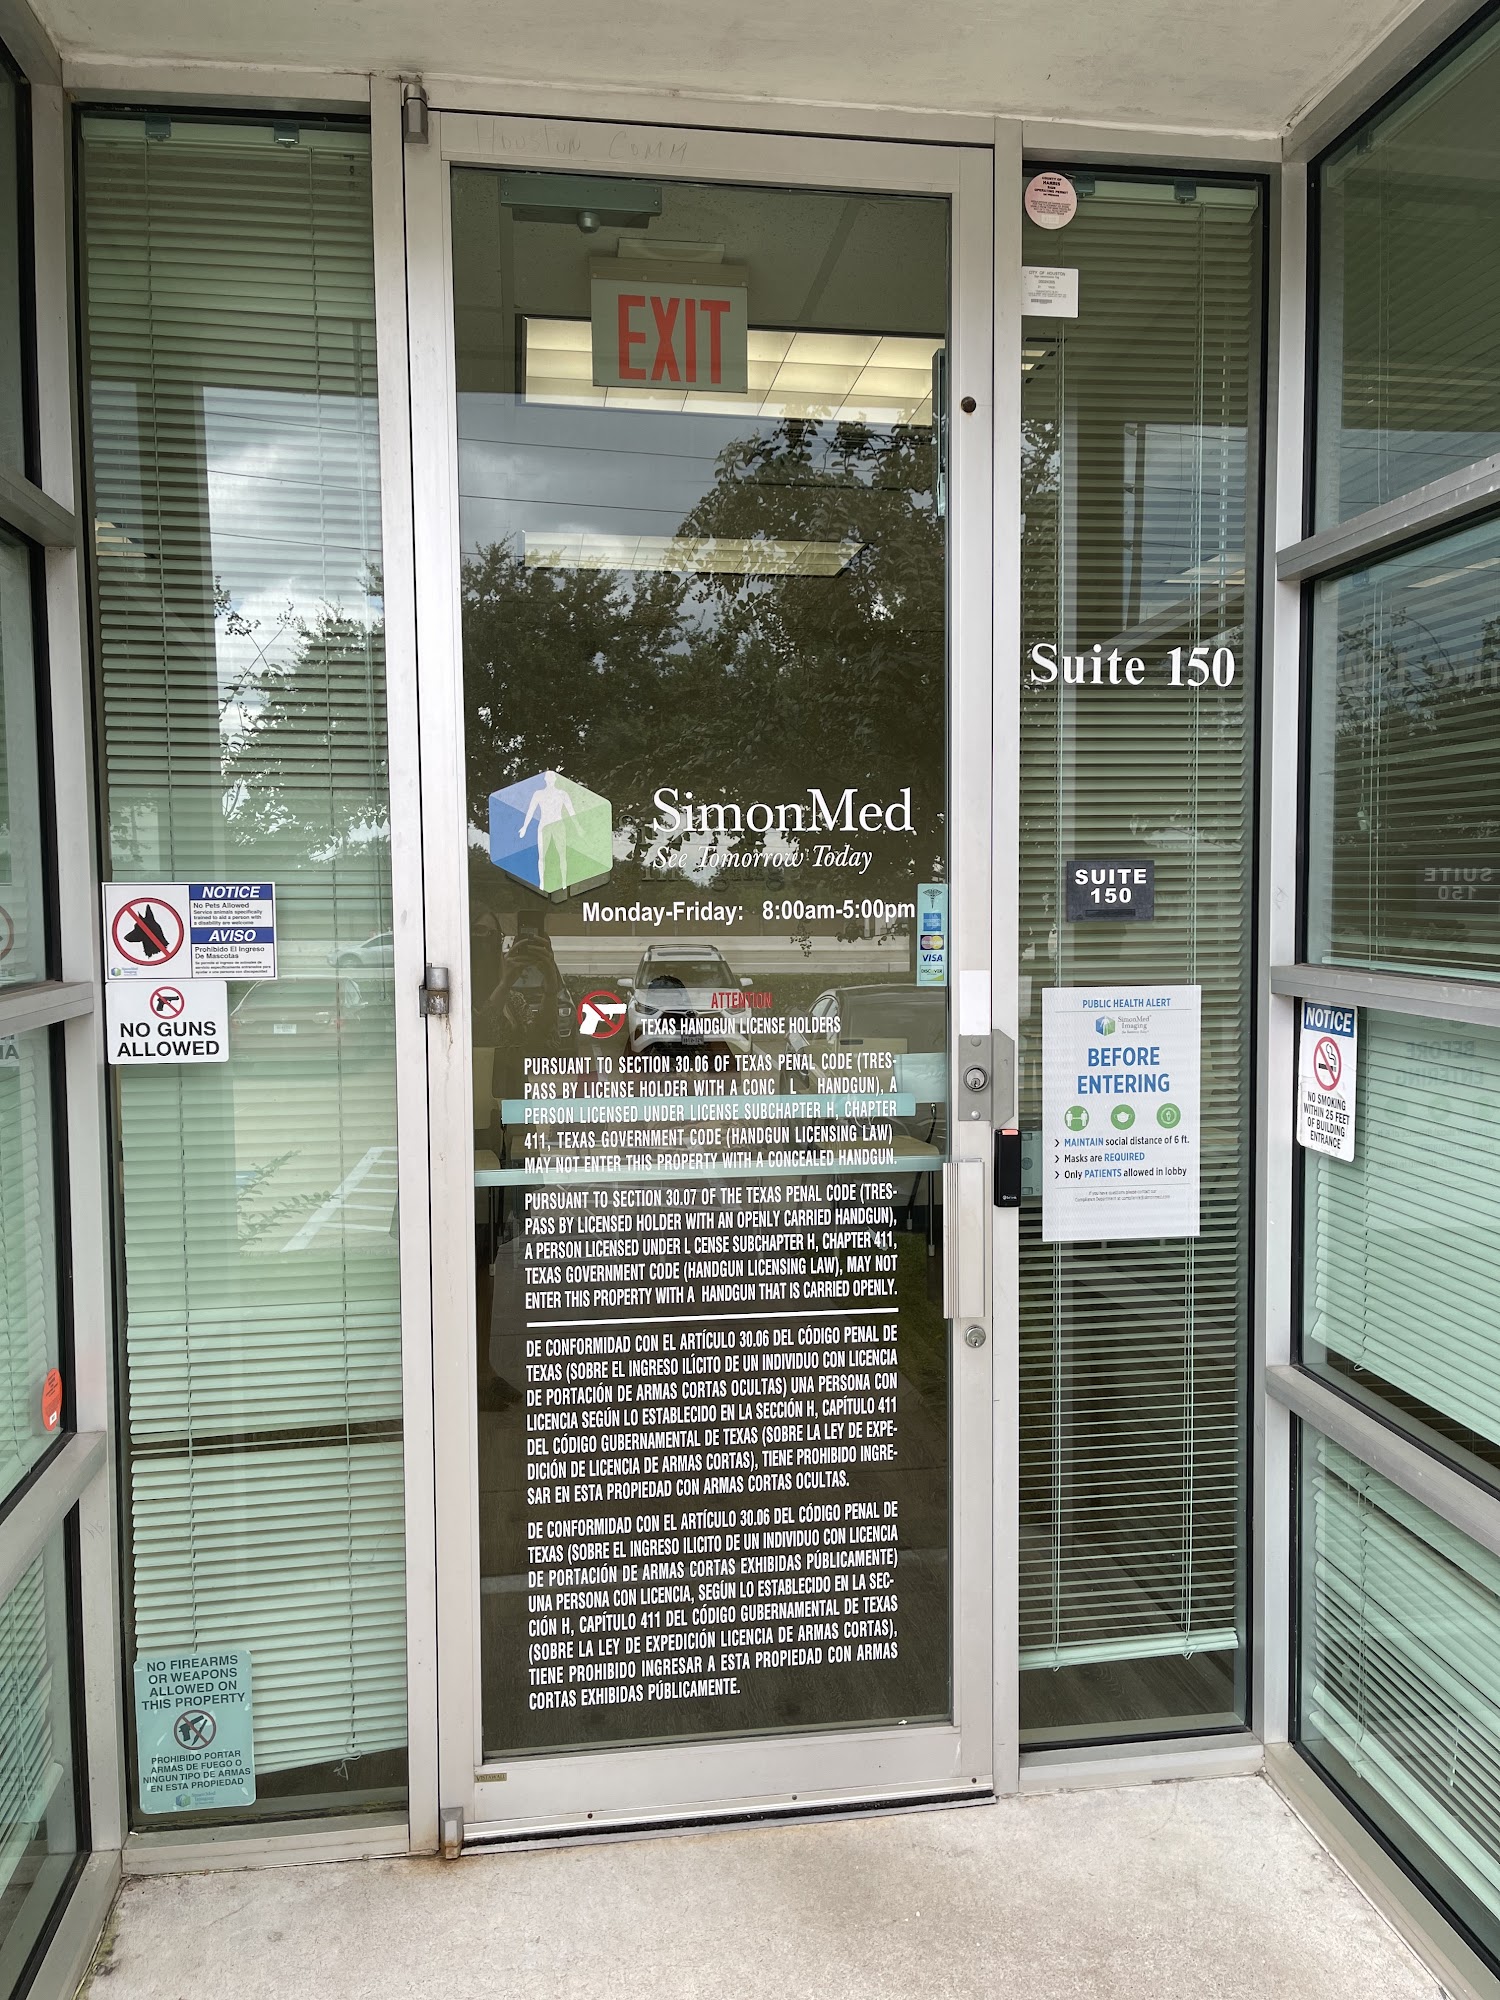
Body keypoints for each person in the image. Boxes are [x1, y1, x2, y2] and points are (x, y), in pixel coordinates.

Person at [518, 769, 576, 893]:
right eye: (548, 778)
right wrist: (524, 827)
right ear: (545, 779)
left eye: (552, 778)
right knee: (542, 856)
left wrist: (577, 827)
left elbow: (571, 811)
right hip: (544, 825)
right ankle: (542, 883)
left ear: (555, 779)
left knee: (562, 855)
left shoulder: (562, 794)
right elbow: (531, 810)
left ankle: (564, 883)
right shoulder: (538, 794)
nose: (550, 780)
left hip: (558, 825)